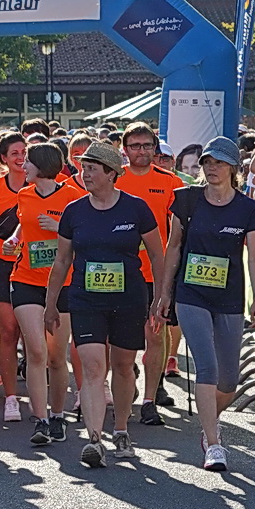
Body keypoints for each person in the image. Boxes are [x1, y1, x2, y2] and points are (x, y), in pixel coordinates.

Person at [44, 142, 162, 468]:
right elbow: (62, 260)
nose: (85, 175)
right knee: (94, 367)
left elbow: (157, 254)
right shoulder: (74, 211)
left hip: (129, 298)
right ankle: (94, 439)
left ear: (111, 174)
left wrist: (160, 296)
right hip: (86, 298)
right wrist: (50, 303)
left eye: (92, 169)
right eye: (83, 168)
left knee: (122, 366)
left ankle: (121, 429)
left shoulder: (136, 209)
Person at [151, 137, 255, 471]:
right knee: (207, 368)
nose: (212, 168)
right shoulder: (186, 199)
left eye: (219, 163)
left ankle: (208, 421)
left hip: (229, 296)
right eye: (208, 162)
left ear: (233, 168)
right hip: (191, 295)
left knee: (229, 380)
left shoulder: (247, 209)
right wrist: (165, 292)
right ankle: (214, 444)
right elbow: (174, 247)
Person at [8, 142, 82, 446]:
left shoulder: (73, 197)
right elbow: (23, 224)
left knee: (55, 356)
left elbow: (85, 235)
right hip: (26, 278)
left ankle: (57, 415)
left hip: (63, 283)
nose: (23, 166)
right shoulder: (24, 194)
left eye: (28, 162)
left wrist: (58, 226)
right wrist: (14, 239)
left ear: (43, 165)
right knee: (36, 351)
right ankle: (39, 420)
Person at [114, 122, 183, 426]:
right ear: (124, 149)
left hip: (156, 273)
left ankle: (150, 400)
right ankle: (126, 381)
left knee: (156, 336)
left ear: (155, 149)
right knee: (119, 340)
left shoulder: (170, 182)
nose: (141, 151)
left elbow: (179, 229)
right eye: (135, 146)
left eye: (146, 145)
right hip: (118, 272)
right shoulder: (114, 178)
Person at [0, 132, 29, 422]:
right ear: (3, 158)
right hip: (0, 266)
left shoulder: (40, 186)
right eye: (14, 153)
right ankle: (11, 397)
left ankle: (43, 399)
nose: (21, 157)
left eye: (24, 152)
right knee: (8, 332)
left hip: (33, 266)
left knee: (33, 336)